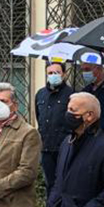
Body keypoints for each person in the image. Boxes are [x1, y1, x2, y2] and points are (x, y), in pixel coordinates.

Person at [36, 61, 74, 197]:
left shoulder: (71, 95)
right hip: (46, 148)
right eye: (50, 73)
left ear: (63, 74)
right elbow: (39, 117)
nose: (53, 75)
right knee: (49, 185)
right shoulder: (40, 94)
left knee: (65, 184)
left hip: (65, 147)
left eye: (57, 73)